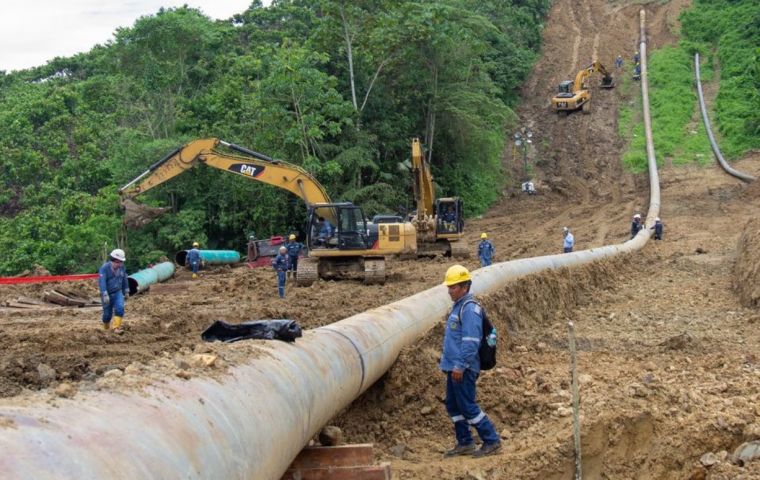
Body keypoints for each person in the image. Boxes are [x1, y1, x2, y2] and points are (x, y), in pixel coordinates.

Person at [440, 265, 502, 459]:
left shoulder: (469, 309)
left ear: (465, 287)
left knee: (467, 405)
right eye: (449, 287)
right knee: (453, 404)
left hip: (464, 368)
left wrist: (460, 365)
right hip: (454, 367)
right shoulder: (459, 306)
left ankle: (491, 440)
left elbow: (471, 341)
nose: (450, 290)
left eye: (454, 287)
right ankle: (465, 442)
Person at [98, 248, 129, 333]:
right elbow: (102, 281)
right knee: (107, 315)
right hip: (107, 293)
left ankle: (116, 328)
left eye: (121, 262)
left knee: (120, 308)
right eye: (118, 262)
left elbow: (124, 278)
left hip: (117, 292)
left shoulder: (122, 267)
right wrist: (104, 293)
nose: (120, 264)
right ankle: (106, 328)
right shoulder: (104, 268)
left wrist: (126, 290)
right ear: (114, 260)